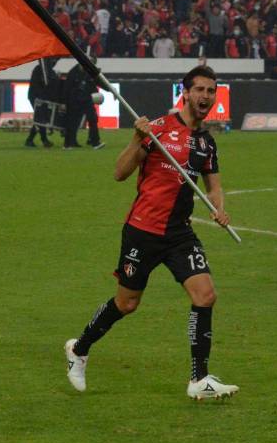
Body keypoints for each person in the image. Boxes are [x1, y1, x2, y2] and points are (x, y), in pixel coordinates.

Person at [63, 65, 237, 400]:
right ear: (185, 94)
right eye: (199, 90)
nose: (205, 97)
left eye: (211, 91)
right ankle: (79, 349)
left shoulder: (207, 143)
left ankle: (199, 380)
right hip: (142, 232)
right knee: (127, 303)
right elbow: (119, 173)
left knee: (205, 295)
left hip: (179, 234)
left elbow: (214, 187)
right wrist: (136, 139)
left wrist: (218, 207)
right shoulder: (156, 129)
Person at [62, 60, 104, 150]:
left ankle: (95, 142)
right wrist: (64, 103)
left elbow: (96, 84)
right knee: (72, 123)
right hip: (74, 101)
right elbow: (66, 88)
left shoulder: (90, 72)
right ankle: (68, 144)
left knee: (93, 120)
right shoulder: (73, 72)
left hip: (87, 100)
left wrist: (109, 91)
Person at [25, 57, 58, 148]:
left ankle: (31, 139)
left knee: (40, 118)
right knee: (40, 117)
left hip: (43, 97)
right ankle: (43, 140)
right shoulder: (39, 70)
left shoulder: (50, 72)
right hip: (36, 97)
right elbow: (36, 86)